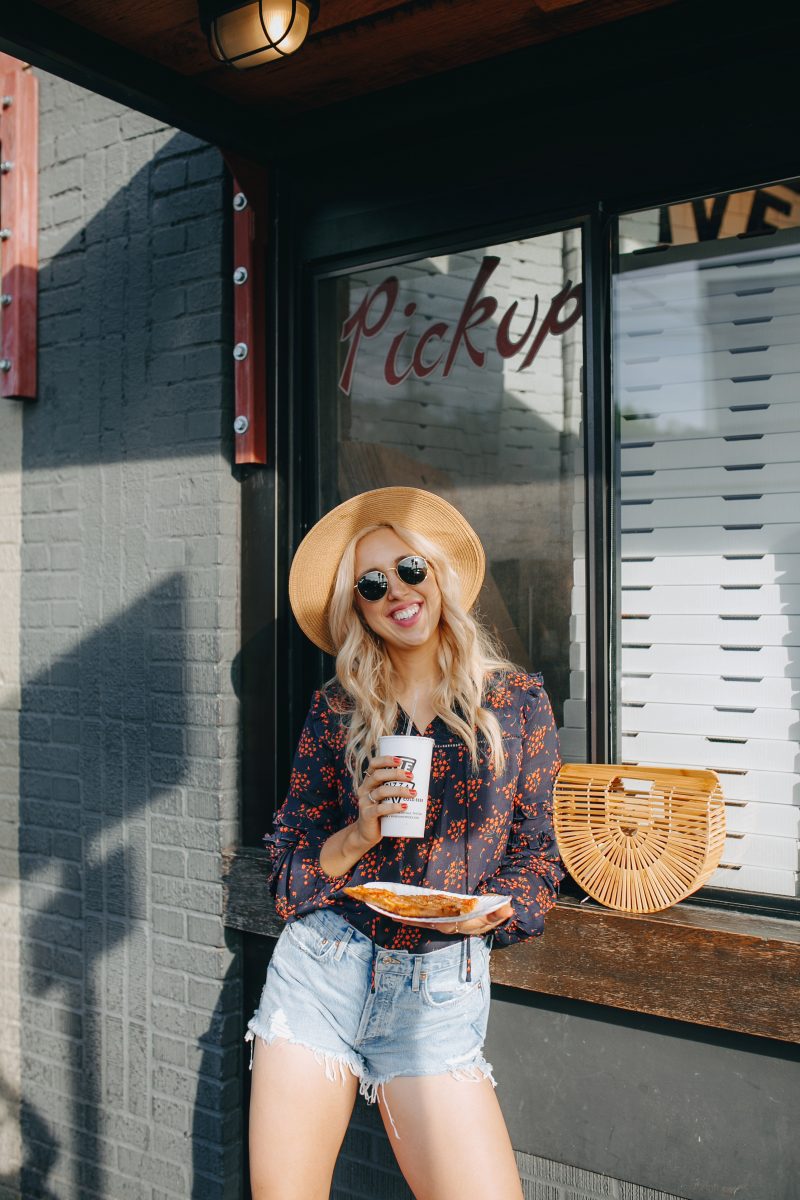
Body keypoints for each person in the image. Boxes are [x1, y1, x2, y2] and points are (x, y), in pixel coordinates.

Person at [247, 486, 563, 1200]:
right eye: (372, 584)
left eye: (410, 569)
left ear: (439, 576)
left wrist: (496, 911)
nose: (397, 592)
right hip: (322, 971)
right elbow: (287, 872)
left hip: (440, 982)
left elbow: (539, 857)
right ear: (358, 608)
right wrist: (359, 832)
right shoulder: (338, 710)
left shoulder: (515, 703)